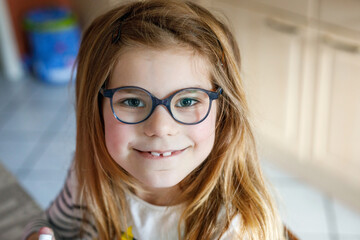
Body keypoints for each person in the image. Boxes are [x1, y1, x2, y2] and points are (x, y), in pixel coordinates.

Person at [23, 0, 286, 239]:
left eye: (187, 101)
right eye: (133, 101)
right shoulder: (88, 176)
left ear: (224, 112)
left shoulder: (237, 228)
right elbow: (52, 224)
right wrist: (38, 233)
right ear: (96, 109)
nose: (160, 128)